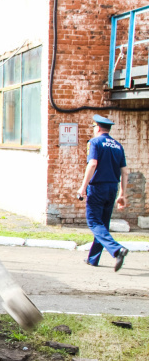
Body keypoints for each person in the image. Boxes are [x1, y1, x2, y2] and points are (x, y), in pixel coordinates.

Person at [76, 114, 129, 271]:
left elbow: (92, 164)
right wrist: (122, 194)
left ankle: (117, 250)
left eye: (93, 127)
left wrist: (83, 187)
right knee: (102, 224)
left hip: (97, 187)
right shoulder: (118, 146)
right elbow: (125, 172)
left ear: (97, 128)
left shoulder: (95, 142)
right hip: (112, 187)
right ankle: (93, 259)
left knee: (93, 222)